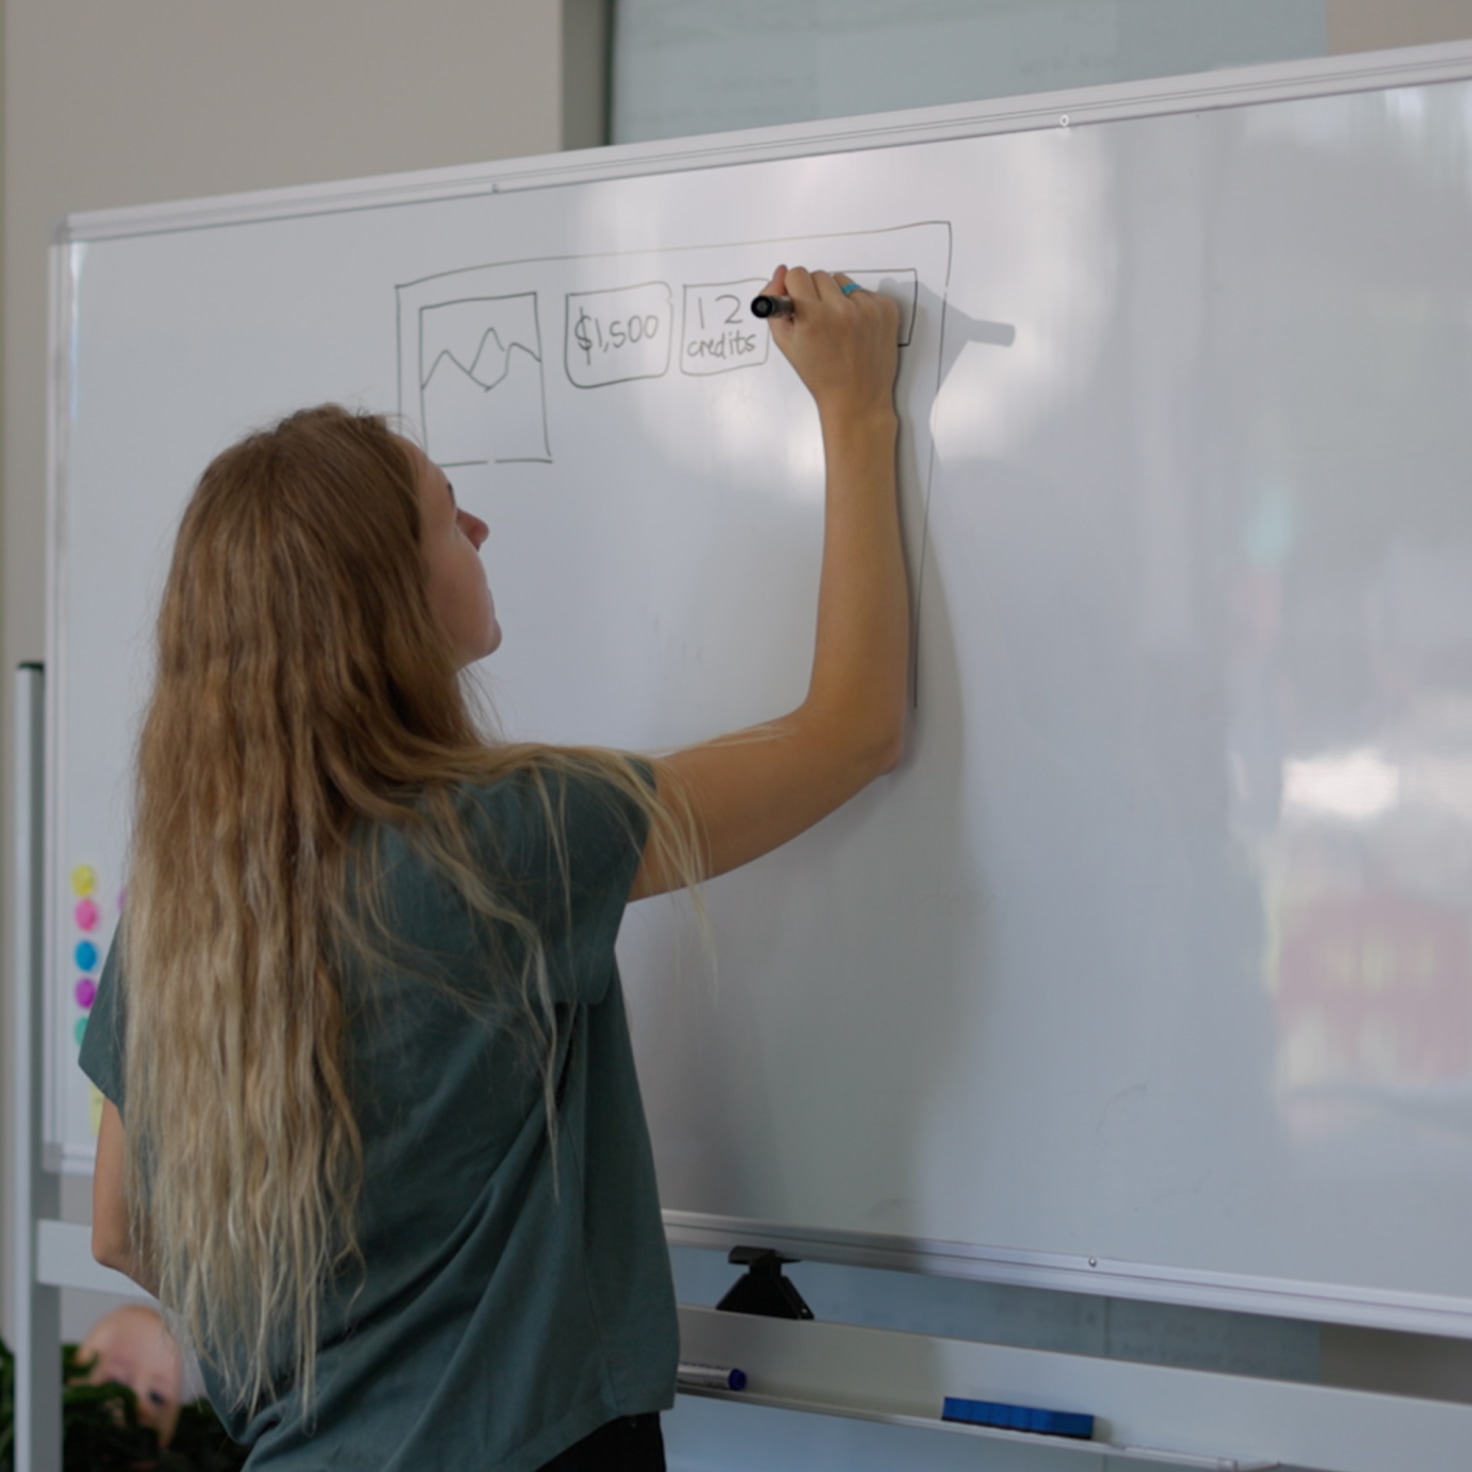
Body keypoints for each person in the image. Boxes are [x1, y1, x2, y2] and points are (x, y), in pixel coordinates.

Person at [82, 265, 906, 1470]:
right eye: (445, 514)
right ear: (387, 601)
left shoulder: (188, 898)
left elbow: (119, 1224)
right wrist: (856, 408)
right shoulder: (511, 835)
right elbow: (852, 728)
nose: (476, 531)